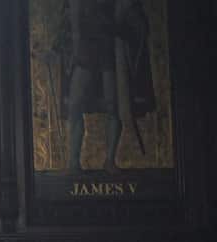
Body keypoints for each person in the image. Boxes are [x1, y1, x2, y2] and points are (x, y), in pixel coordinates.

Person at [61, 0, 155, 173]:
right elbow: (68, 20)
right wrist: (60, 47)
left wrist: (126, 23)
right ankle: (73, 161)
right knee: (74, 105)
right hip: (85, 49)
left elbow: (133, 18)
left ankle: (110, 161)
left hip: (109, 50)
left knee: (113, 105)